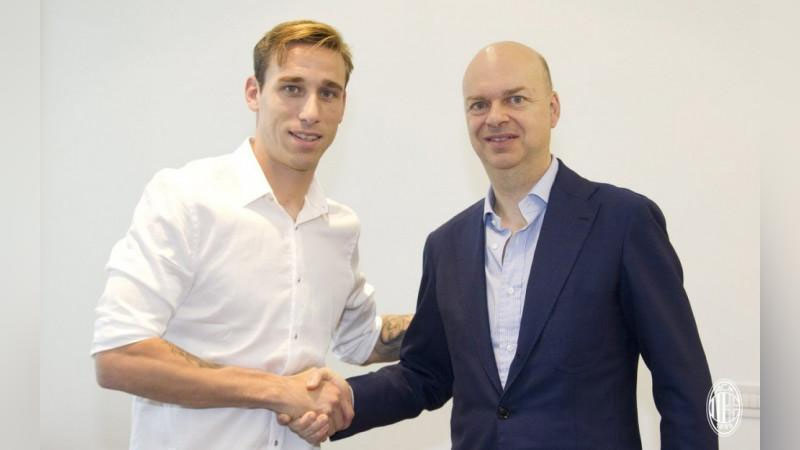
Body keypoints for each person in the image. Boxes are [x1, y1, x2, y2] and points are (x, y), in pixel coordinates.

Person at [283, 41, 718, 449]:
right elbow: (425, 373)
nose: (495, 117)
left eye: (515, 99)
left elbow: (685, 385)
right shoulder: (446, 245)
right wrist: (342, 401)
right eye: (479, 104)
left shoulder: (622, 222)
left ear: (552, 109)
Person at [91, 20, 411, 450]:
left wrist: (469, 313)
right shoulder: (186, 198)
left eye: (328, 93)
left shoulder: (339, 227)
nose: (311, 111)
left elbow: (363, 339)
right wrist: (278, 390)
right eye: (292, 88)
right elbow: (118, 356)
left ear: (343, 105)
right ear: (253, 93)